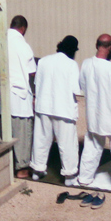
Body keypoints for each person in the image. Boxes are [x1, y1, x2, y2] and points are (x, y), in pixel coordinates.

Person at [77, 34, 111, 192]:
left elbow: (82, 84)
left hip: (94, 114)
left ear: (96, 45)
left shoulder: (86, 64)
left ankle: (85, 178)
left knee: (92, 146)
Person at [29, 35, 81, 186]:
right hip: (63, 108)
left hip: (43, 106)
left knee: (41, 140)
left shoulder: (44, 61)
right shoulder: (71, 64)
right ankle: (69, 175)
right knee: (67, 143)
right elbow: (75, 89)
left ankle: (37, 170)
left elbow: (37, 83)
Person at [7, 15, 37, 178]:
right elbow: (32, 72)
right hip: (19, 97)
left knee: (4, 135)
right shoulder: (22, 45)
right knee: (22, 134)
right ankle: (22, 169)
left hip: (1, 99)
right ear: (23, 29)